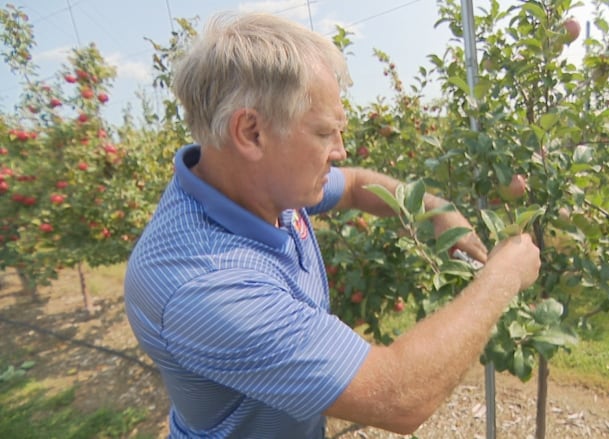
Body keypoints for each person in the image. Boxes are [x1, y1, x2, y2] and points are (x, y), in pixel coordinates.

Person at [123, 10, 541, 439]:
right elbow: (400, 396)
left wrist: (434, 208)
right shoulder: (203, 283)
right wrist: (502, 278)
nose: (340, 151)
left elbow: (358, 185)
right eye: (324, 133)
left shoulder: (263, 187)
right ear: (250, 133)